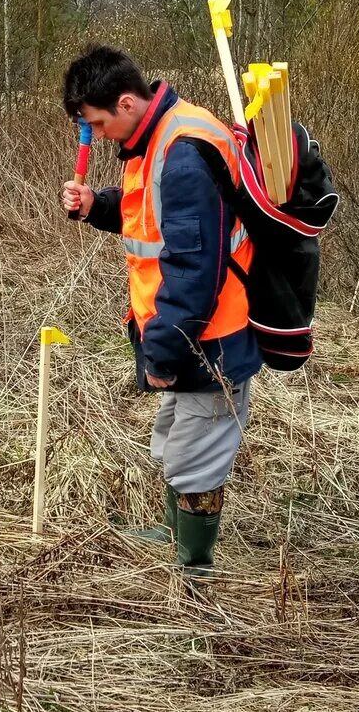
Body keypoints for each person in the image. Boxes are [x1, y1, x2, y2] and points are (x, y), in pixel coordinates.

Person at [61, 44, 261, 577]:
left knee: (197, 460)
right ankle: (175, 534)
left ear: (126, 104)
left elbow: (194, 272)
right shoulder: (161, 135)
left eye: (99, 123)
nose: (97, 136)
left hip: (209, 338)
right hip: (188, 332)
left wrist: (164, 352)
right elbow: (154, 223)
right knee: (176, 443)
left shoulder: (183, 154)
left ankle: (193, 571)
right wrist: (98, 206)